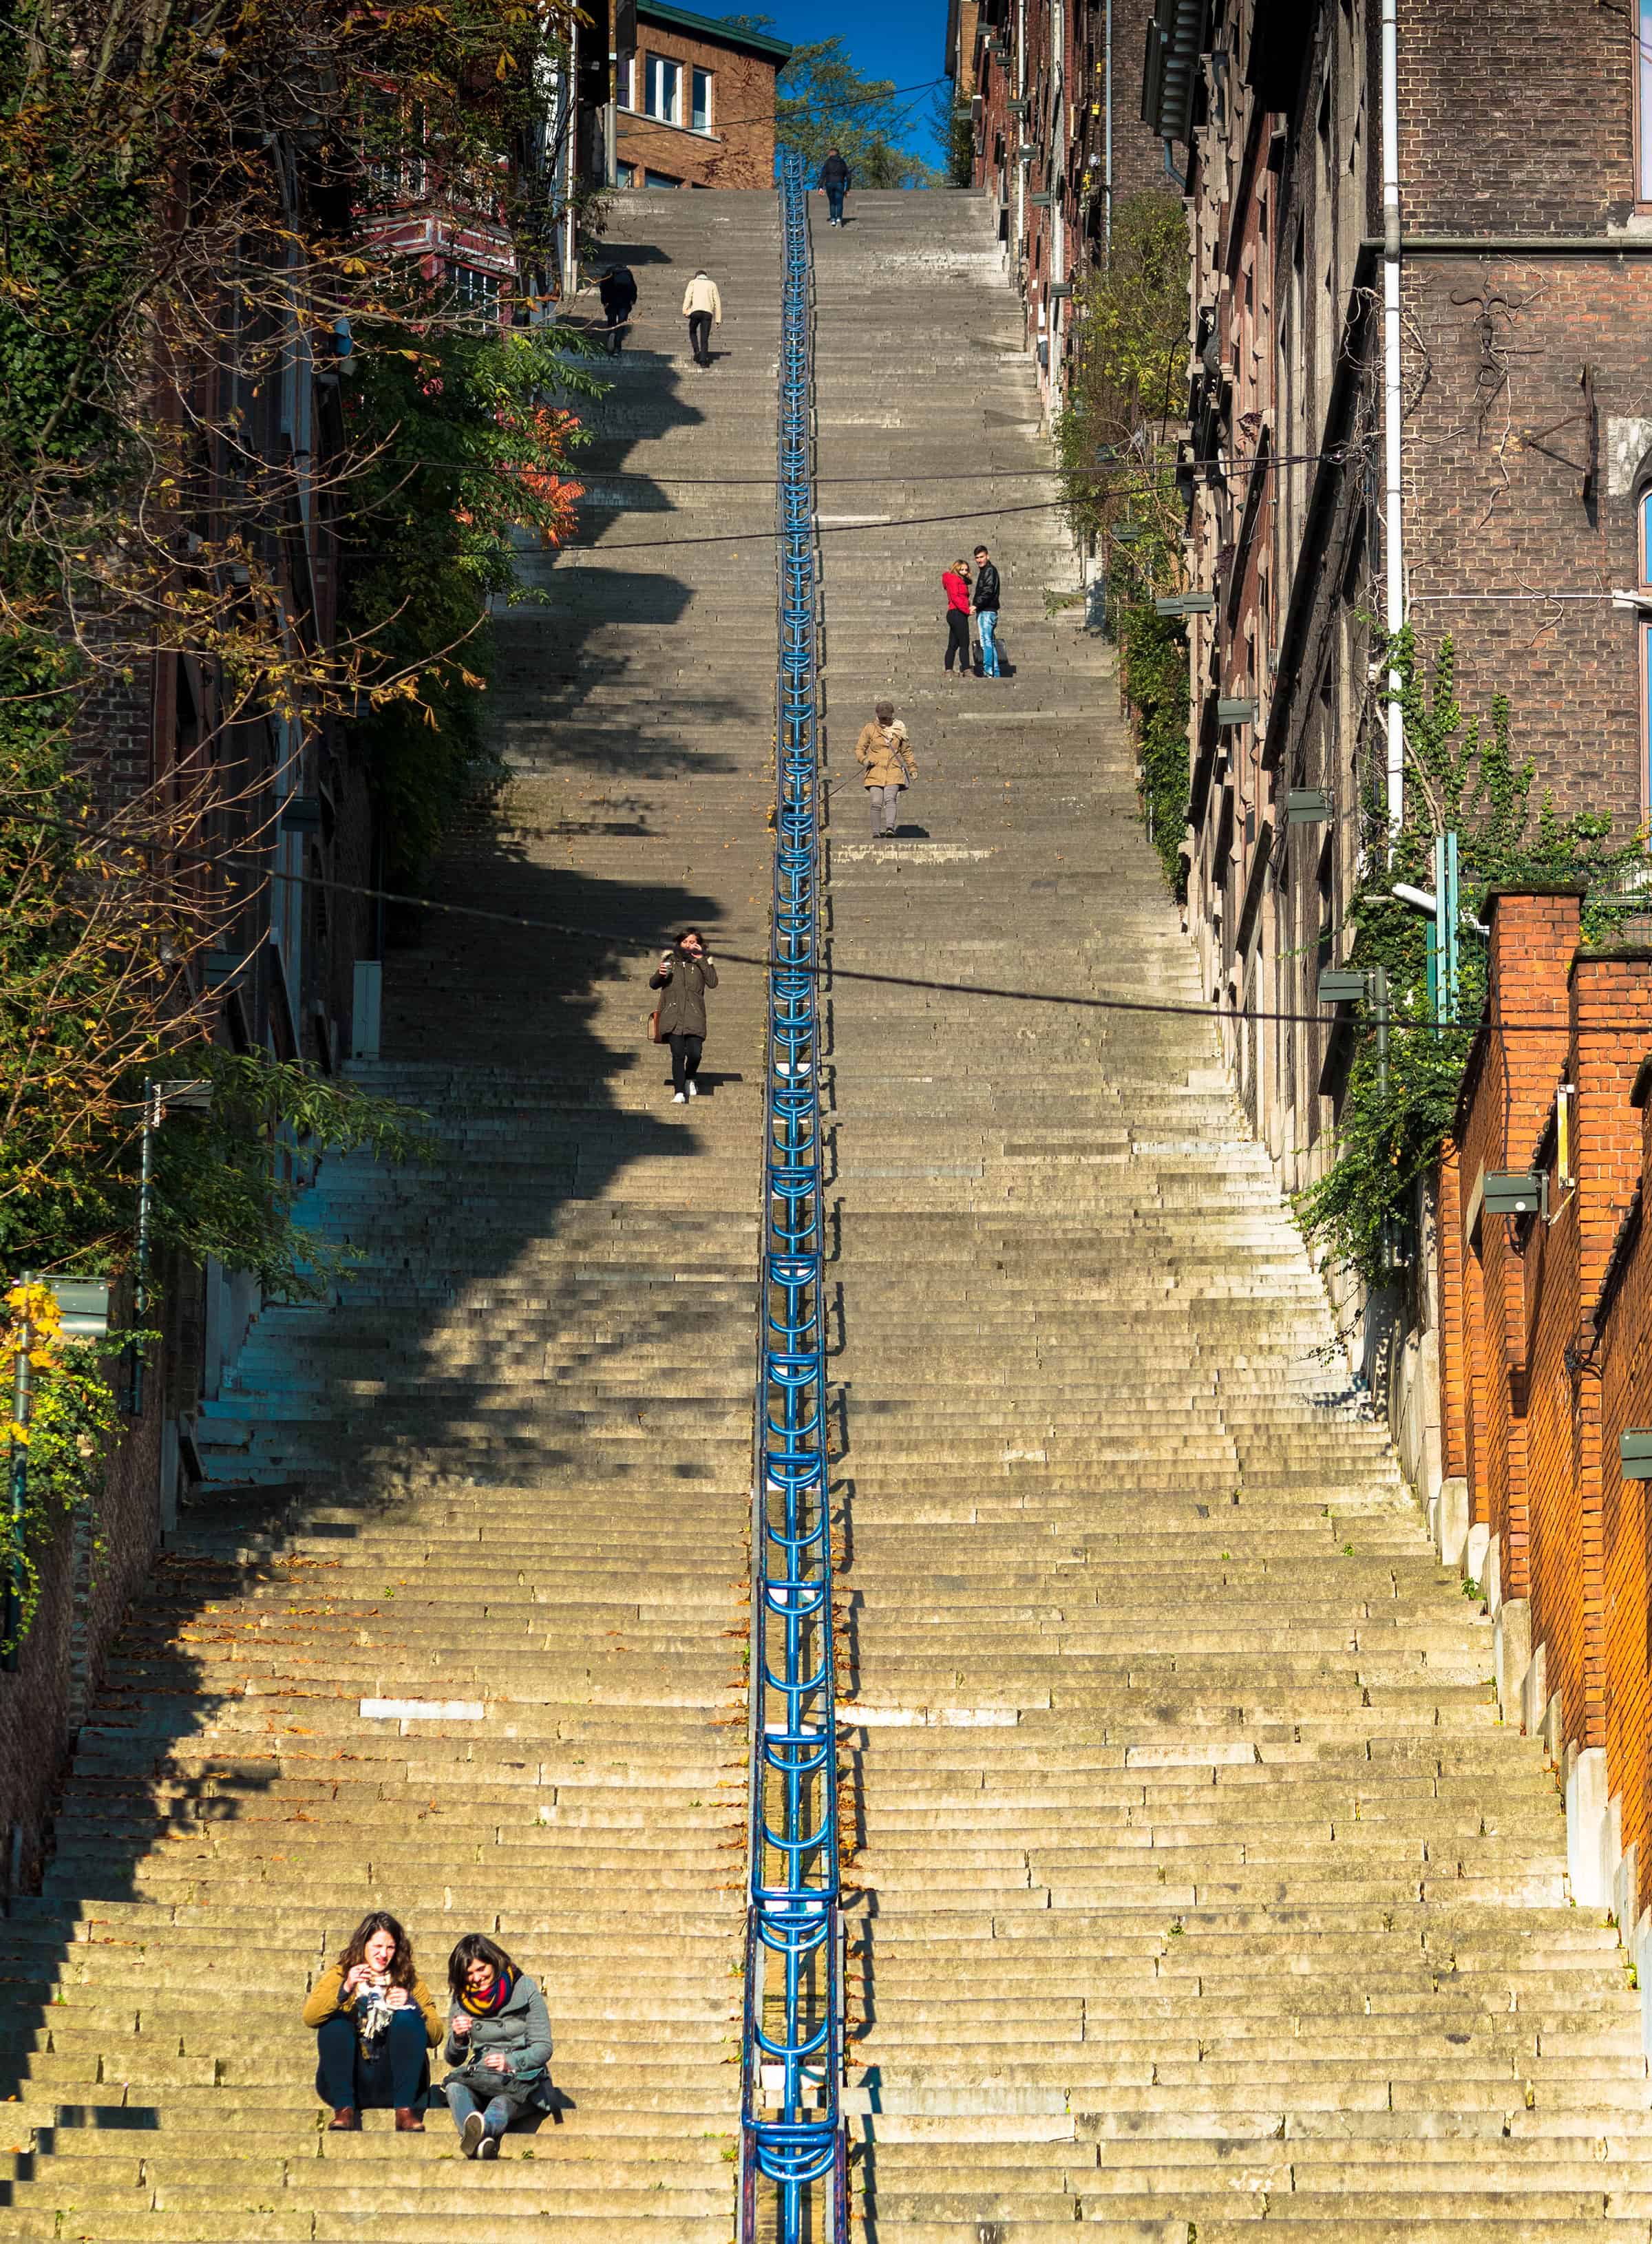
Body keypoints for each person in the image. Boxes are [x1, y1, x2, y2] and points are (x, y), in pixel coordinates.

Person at [303, 1909, 442, 2133]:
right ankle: (344, 2110)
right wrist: (346, 1988)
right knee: (335, 2023)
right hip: (352, 2078)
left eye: (390, 1948)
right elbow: (311, 2016)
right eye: (377, 1947)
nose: (383, 1954)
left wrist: (413, 2005)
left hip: (395, 2078)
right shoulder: (342, 1973)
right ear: (363, 1945)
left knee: (407, 2017)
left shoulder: (409, 1979)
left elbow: (436, 2035)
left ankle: (405, 2112)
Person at [442, 1933, 556, 2159]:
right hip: (481, 2076)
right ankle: (480, 2139)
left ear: (494, 1962)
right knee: (455, 2088)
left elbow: (544, 2046)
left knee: (502, 2102)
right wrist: (459, 2038)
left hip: (522, 2080)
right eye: (469, 1973)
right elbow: (453, 2058)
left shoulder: (524, 1988)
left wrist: (510, 2062)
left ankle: (479, 2134)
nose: (476, 1978)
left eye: (481, 1969)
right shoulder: (462, 1998)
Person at [650, 928, 719, 1103]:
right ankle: (679, 1092)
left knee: (695, 1054)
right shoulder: (669, 961)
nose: (688, 945)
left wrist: (701, 959)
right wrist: (660, 974)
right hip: (672, 1016)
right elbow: (653, 984)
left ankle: (689, 1078)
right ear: (679, 943)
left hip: (694, 1016)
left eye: (693, 942)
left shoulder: (703, 963)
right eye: (685, 942)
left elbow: (713, 983)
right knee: (678, 1054)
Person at [855, 702, 915, 838]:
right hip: (875, 770)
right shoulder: (870, 729)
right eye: (882, 718)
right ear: (877, 715)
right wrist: (864, 760)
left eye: (887, 718)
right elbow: (859, 748)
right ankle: (876, 831)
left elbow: (906, 750)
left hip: (893, 770)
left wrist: (912, 767)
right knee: (876, 801)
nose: (885, 720)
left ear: (892, 715)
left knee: (890, 798)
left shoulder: (899, 729)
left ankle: (890, 828)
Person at [972, 544, 1003, 677]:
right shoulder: (986, 570)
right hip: (988, 610)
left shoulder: (989, 570)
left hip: (986, 611)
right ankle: (995, 673)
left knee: (986, 643)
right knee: (989, 642)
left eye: (982, 557)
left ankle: (988, 671)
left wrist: (976, 605)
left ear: (987, 556)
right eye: (977, 558)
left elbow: (988, 590)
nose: (979, 560)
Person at [681, 269, 722, 367]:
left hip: (695, 311)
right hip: (708, 313)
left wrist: (685, 311)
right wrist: (718, 319)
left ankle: (697, 351)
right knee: (705, 337)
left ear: (697, 276)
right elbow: (717, 302)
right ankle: (703, 361)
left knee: (692, 331)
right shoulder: (712, 284)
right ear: (705, 276)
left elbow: (688, 297)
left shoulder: (693, 283)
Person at [597, 264, 637, 357]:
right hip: (625, 302)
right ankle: (617, 348)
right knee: (621, 324)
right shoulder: (627, 273)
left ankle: (611, 334)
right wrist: (633, 300)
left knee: (611, 322)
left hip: (611, 302)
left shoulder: (609, 273)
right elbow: (633, 289)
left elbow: (603, 289)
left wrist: (604, 302)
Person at [942, 559, 973, 676]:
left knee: (953, 644)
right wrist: (966, 610)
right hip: (958, 613)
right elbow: (955, 597)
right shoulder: (954, 579)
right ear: (956, 569)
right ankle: (967, 669)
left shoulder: (953, 579)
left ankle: (949, 670)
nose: (964, 572)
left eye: (966, 570)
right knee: (964, 643)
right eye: (962, 569)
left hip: (954, 613)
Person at [819, 148, 851, 226]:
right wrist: (847, 189)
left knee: (832, 202)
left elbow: (823, 175)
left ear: (831, 154)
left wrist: (820, 187)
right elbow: (849, 176)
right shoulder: (842, 162)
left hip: (829, 183)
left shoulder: (827, 162)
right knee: (839, 202)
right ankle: (839, 218)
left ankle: (833, 219)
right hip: (840, 183)